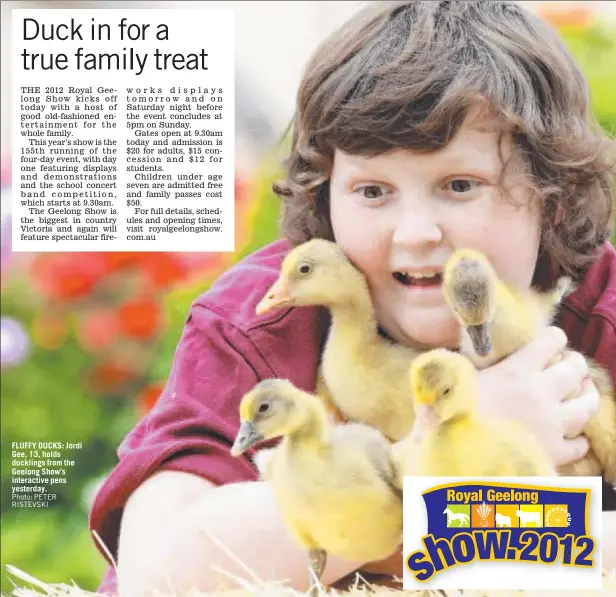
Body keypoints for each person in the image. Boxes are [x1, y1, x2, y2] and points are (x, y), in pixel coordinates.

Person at [89, 2, 616, 595]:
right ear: (326, 196)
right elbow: (156, 574)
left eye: (459, 185)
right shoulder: (266, 319)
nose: (415, 232)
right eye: (373, 190)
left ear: (554, 197)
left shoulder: (600, 309)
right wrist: (453, 460)